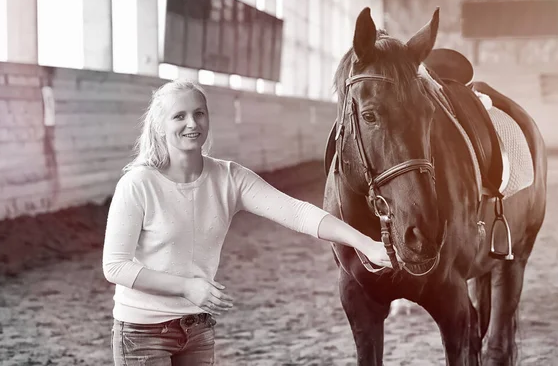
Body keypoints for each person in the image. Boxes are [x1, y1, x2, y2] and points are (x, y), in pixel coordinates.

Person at [102, 80, 393, 366]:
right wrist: (186, 287)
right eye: (179, 116)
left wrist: (365, 244)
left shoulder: (228, 177)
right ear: (159, 126)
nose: (192, 123)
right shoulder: (138, 184)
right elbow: (115, 266)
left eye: (199, 113)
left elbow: (297, 212)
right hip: (142, 333)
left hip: (197, 328)